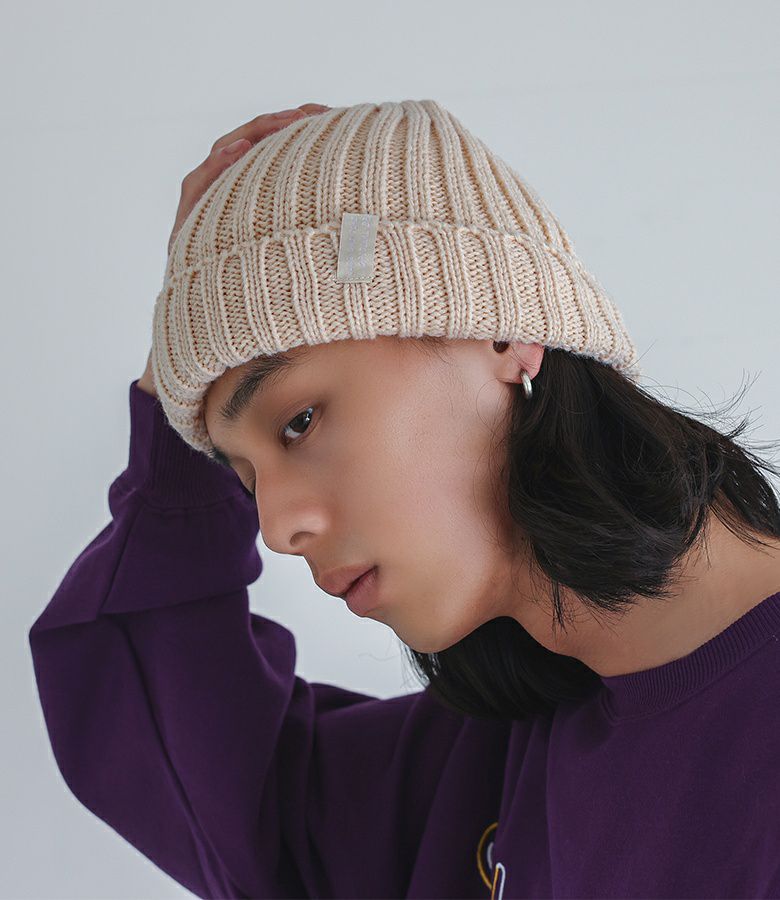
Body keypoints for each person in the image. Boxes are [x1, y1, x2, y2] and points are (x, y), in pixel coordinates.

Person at [29, 99, 780, 899]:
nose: (276, 528)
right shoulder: (496, 755)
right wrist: (179, 418)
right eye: (243, 479)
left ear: (503, 330)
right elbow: (208, 778)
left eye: (300, 422)